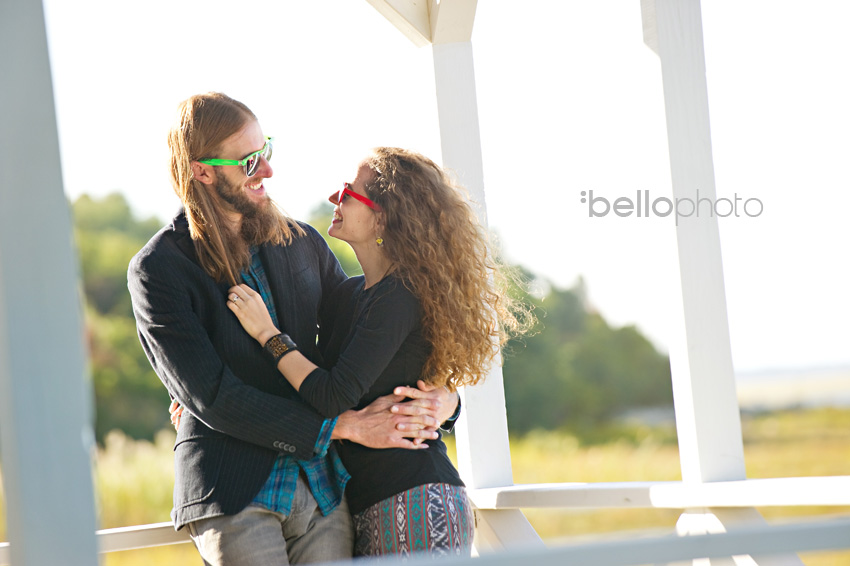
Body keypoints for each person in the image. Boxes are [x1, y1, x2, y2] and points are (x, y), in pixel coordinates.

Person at [127, 93, 458, 566]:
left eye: (267, 151)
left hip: (325, 492)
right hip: (234, 491)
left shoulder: (304, 243)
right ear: (202, 171)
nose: (266, 171)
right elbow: (213, 398)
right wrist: (342, 426)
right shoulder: (157, 270)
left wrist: (446, 400)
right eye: (249, 161)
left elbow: (373, 346)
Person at [226, 147, 529, 558]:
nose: (335, 198)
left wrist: (268, 334)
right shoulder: (349, 295)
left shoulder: (402, 295)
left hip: (418, 502)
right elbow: (306, 377)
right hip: (367, 506)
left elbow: (332, 395)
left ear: (383, 216)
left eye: (349, 193)